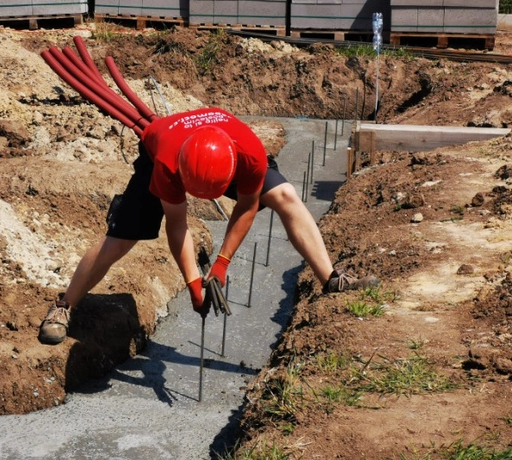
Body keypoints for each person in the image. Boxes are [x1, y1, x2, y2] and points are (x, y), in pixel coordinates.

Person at [38, 107, 378, 345]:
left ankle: (331, 280)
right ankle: (65, 305)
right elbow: (177, 224)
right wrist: (192, 282)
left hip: (220, 151)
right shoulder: (168, 163)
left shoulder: (250, 154)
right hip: (163, 152)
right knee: (120, 240)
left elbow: (246, 206)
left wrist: (222, 262)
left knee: (287, 195)